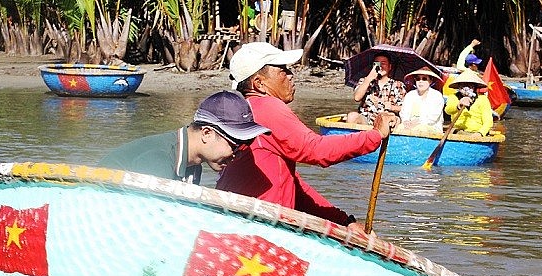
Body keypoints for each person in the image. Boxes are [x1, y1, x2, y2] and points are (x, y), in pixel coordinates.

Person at [216, 42, 399, 230]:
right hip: (260, 228)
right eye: (283, 71)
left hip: (242, 222)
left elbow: (295, 188)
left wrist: (345, 222)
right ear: (259, 84)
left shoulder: (244, 109)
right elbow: (317, 150)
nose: (290, 75)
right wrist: (375, 135)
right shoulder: (266, 108)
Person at [100, 90, 269, 183]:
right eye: (236, 145)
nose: (237, 155)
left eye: (246, 145)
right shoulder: (158, 160)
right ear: (207, 133)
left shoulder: (194, 165)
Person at [346, 52, 406, 125]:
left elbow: (404, 107)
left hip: (386, 121)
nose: (380, 66)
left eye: (383, 63)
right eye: (377, 64)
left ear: (389, 67)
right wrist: (369, 78)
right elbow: (357, 98)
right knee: (352, 116)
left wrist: (392, 107)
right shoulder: (365, 81)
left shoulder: (398, 85)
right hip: (367, 119)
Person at [444, 70, 494, 136]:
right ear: (459, 86)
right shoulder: (453, 97)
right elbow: (448, 110)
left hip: (477, 133)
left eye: (469, 85)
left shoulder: (482, 99)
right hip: (458, 132)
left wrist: (480, 133)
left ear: (474, 86)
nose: (466, 87)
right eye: (463, 84)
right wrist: (458, 105)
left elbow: (488, 121)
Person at [397, 68, 445, 134]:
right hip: (409, 126)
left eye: (424, 79)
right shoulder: (410, 95)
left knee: (419, 129)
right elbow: (404, 113)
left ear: (430, 81)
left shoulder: (436, 95)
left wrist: (417, 122)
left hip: (431, 127)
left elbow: (433, 117)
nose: (420, 81)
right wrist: (406, 121)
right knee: (400, 128)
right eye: (418, 79)